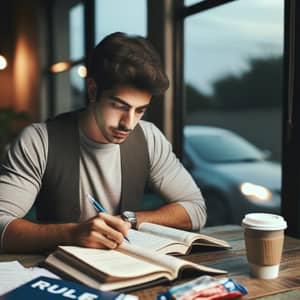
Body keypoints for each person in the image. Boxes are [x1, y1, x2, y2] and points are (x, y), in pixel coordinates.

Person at [0, 32, 206, 253]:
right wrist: (71, 234)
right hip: (59, 273)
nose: (129, 123)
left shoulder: (150, 137)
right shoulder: (39, 140)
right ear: (92, 90)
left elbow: (195, 209)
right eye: (119, 106)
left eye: (140, 111)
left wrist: (130, 220)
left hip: (125, 270)